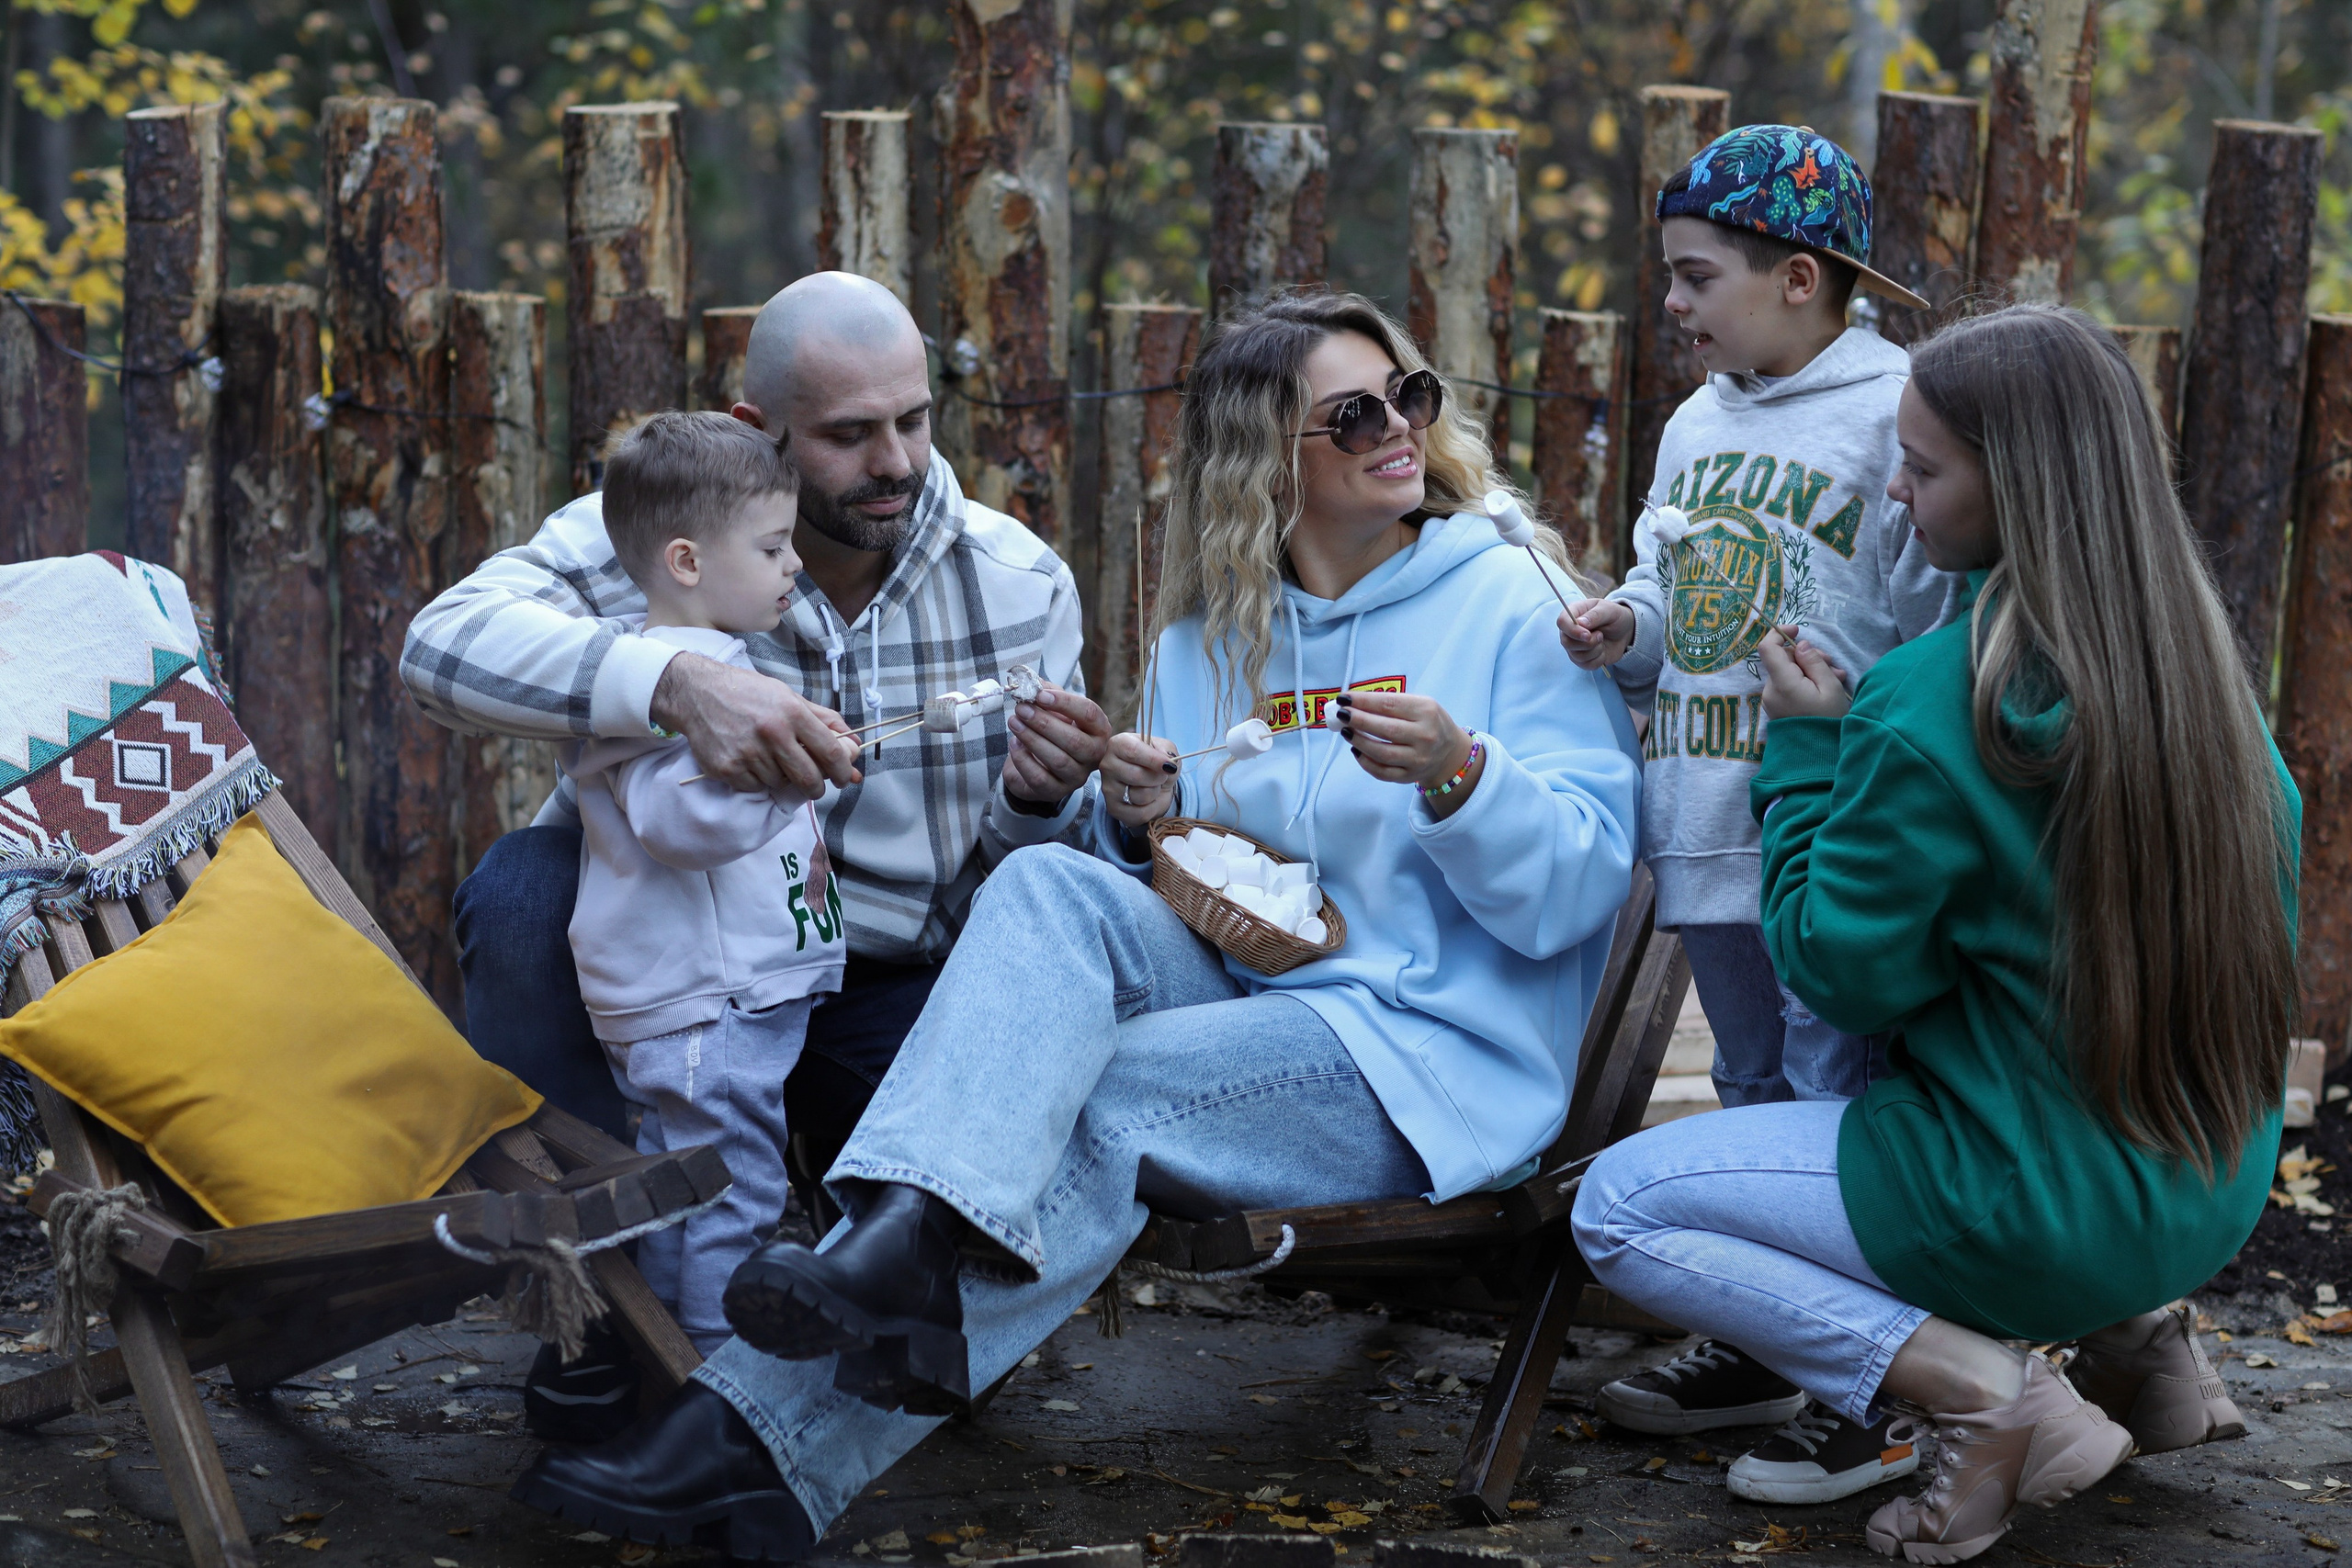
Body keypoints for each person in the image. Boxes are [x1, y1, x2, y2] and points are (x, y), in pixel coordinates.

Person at [504, 289, 1643, 1559]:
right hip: (1252, 1001)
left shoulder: (1511, 599)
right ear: (1266, 457)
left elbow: (1579, 892)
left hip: (1424, 1051)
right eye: (1355, 412)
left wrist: (1460, 776)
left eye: (1410, 396)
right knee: (1046, 882)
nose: (1400, 429)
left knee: (1093, 1107)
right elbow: (1206, 882)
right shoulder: (1214, 631)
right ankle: (894, 1249)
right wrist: (1135, 812)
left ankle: (755, 1438)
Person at [1574, 303, 2296, 1562]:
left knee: (1620, 1205)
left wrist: (1803, 750)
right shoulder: (2214, 700)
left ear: (2014, 481)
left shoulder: (1927, 702)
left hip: (2025, 1206)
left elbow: (1838, 974)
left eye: (1922, 465)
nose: (1897, 496)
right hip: (2203, 1186)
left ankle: (1976, 1384)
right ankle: (2146, 1353)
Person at [400, 272, 1113, 1431]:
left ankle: (848, 1271)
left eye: (913, 420)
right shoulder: (657, 534)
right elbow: (439, 650)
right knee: (524, 890)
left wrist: (1043, 802)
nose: (895, 462)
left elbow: (1032, 883)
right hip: (668, 964)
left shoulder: (1020, 582)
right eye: (845, 435)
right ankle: (598, 1301)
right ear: (756, 431)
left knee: (928, 1372)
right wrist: (675, 681)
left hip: (883, 977)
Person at [1556, 123, 1957, 1495]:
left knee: (1838, 1105)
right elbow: (1684, 602)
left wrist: (1859, 719)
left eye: (1692, 275)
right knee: (1749, 1094)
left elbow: (1928, 618)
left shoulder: (1895, 408)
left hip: (1831, 834)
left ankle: (1886, 1390)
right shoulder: (1695, 418)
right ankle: (1773, 1342)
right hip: (1704, 814)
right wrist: (1628, 628)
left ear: (1799, 275)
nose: (1670, 304)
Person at [563, 412, 851, 1354]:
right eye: (772, 548)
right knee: (732, 1188)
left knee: (686, 1181)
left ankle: (663, 1363)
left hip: (726, 995)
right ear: (685, 561)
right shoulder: (659, 687)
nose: (793, 567)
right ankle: (716, 1381)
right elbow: (680, 826)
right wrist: (794, 782)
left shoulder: (725, 667)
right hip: (705, 1003)